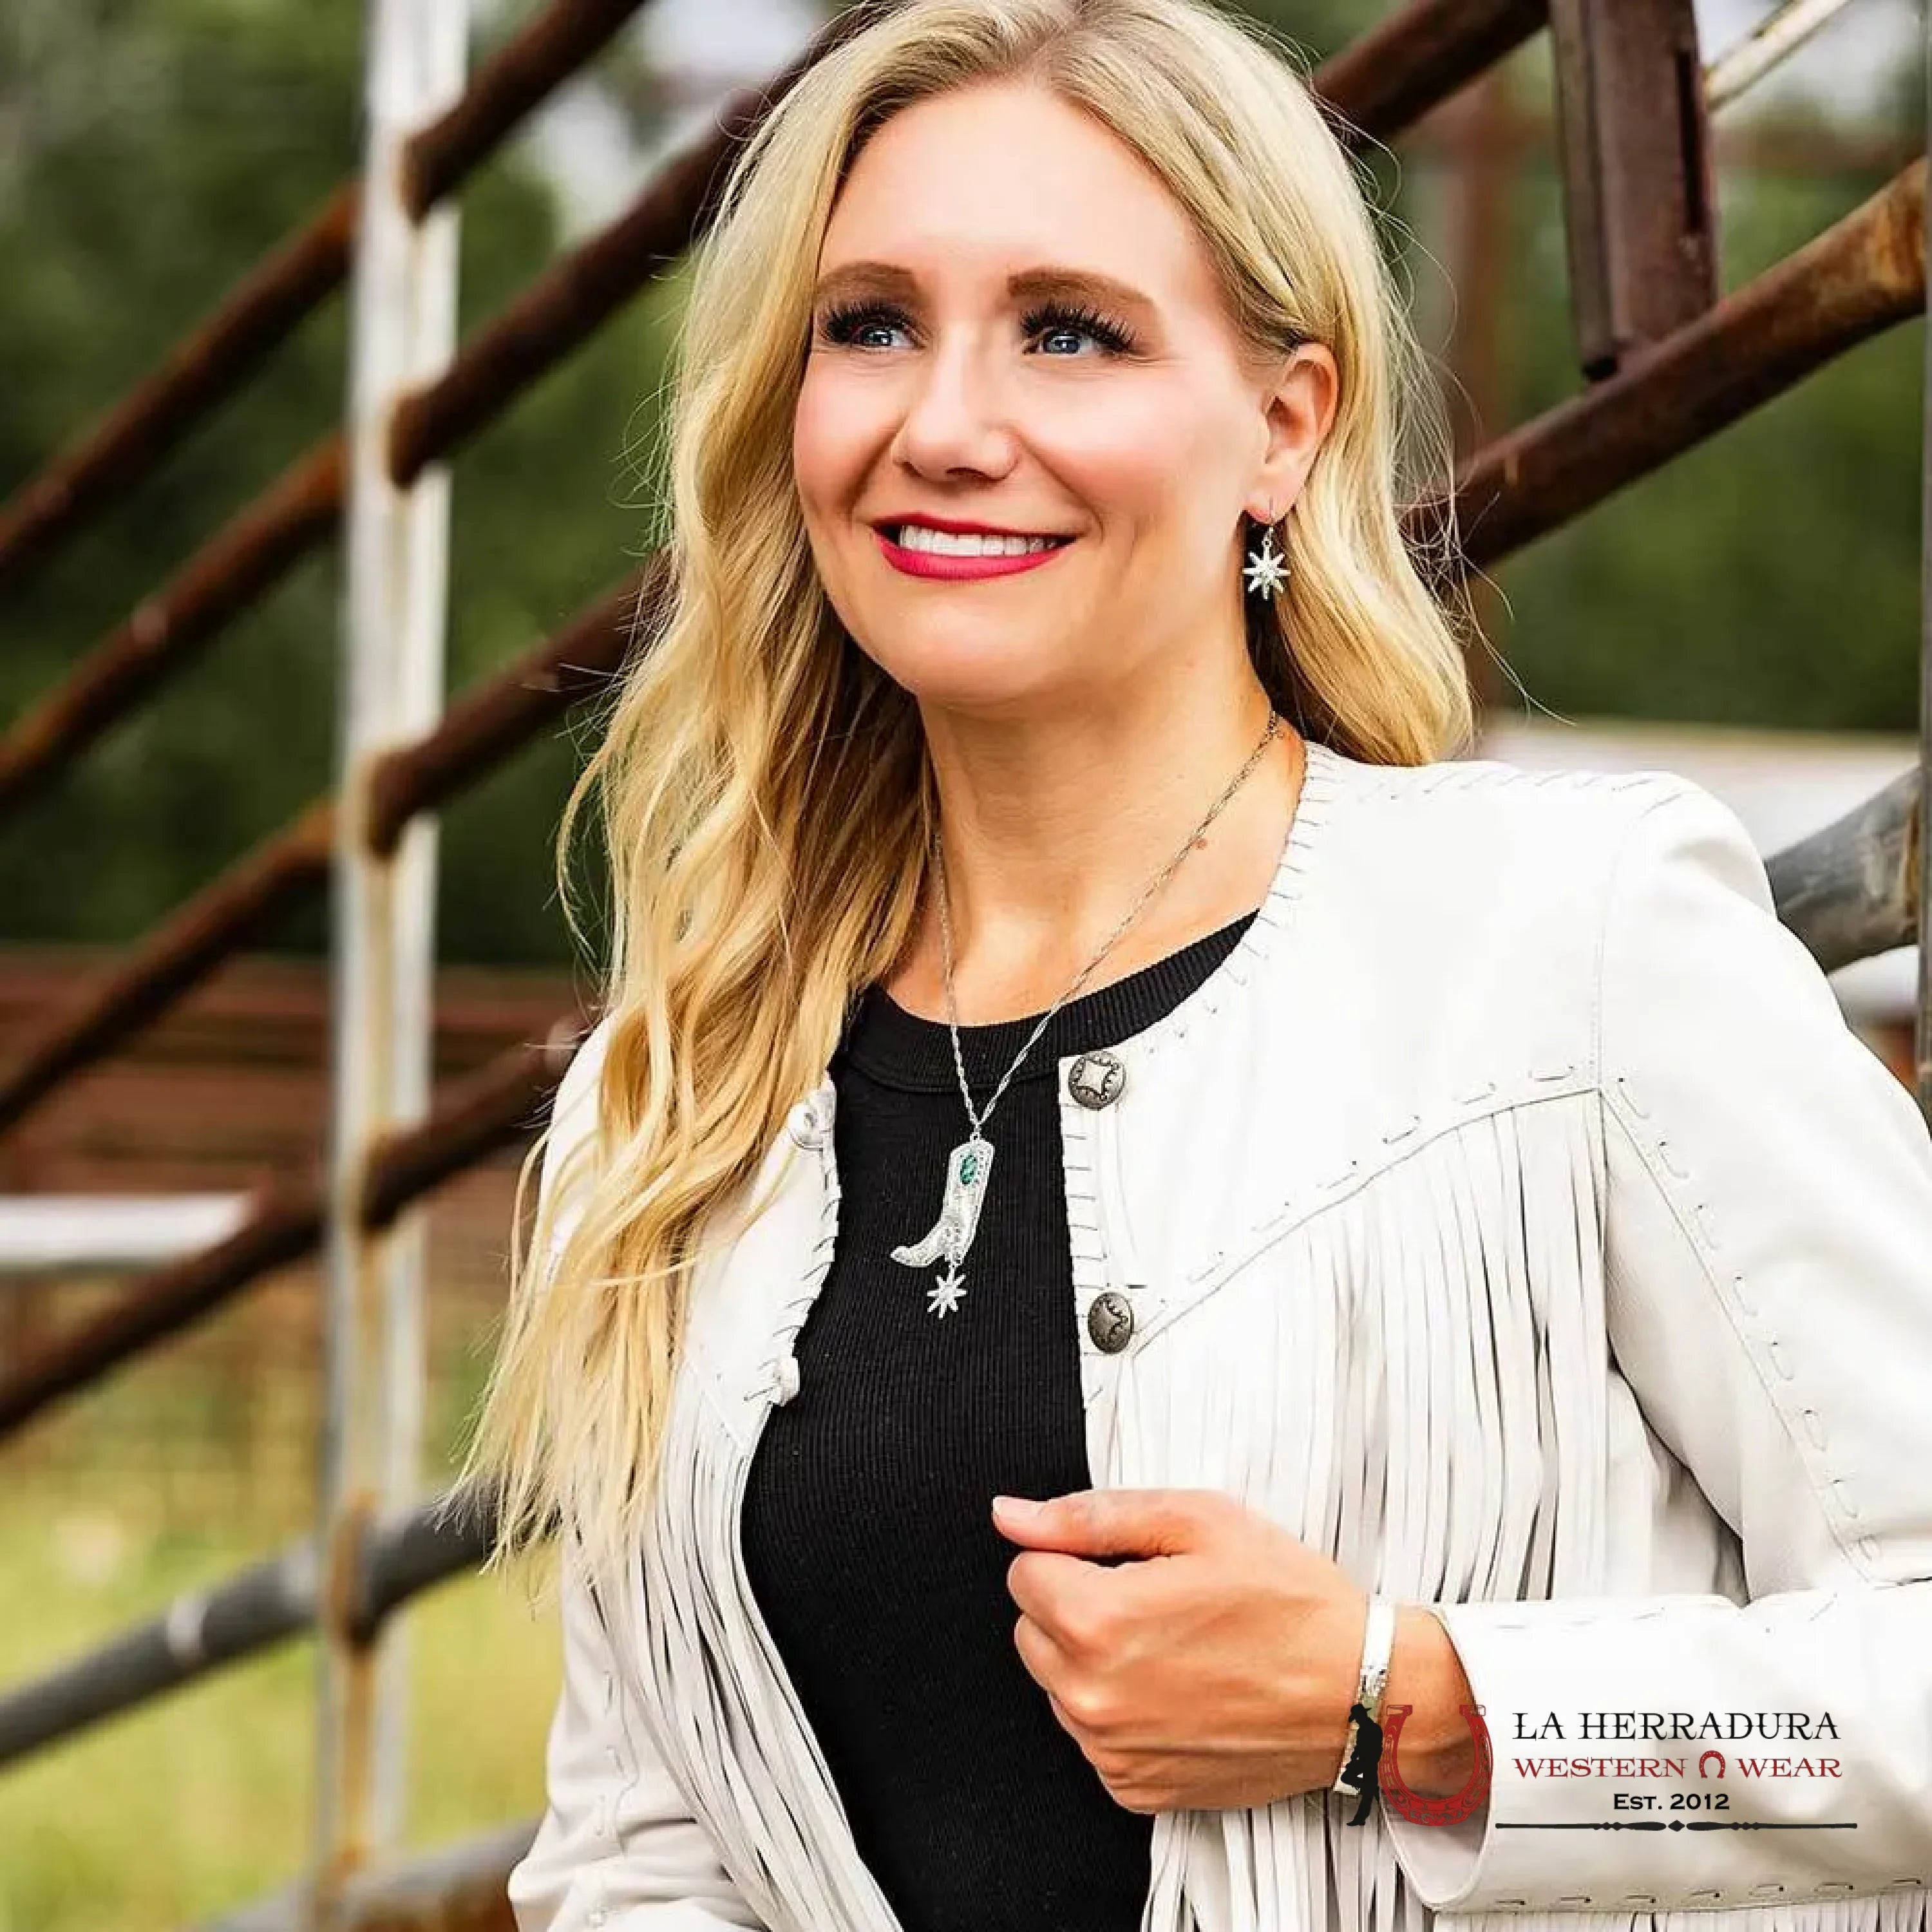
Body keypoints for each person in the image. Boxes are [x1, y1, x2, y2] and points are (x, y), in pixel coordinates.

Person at [457, 1, 1932, 1927]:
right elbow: (641, 1844)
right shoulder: (671, 1111)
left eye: (1070, 329)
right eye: (871, 322)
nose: (946, 426)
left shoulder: (1574, 944)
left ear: (1283, 426)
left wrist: (1408, 1703)